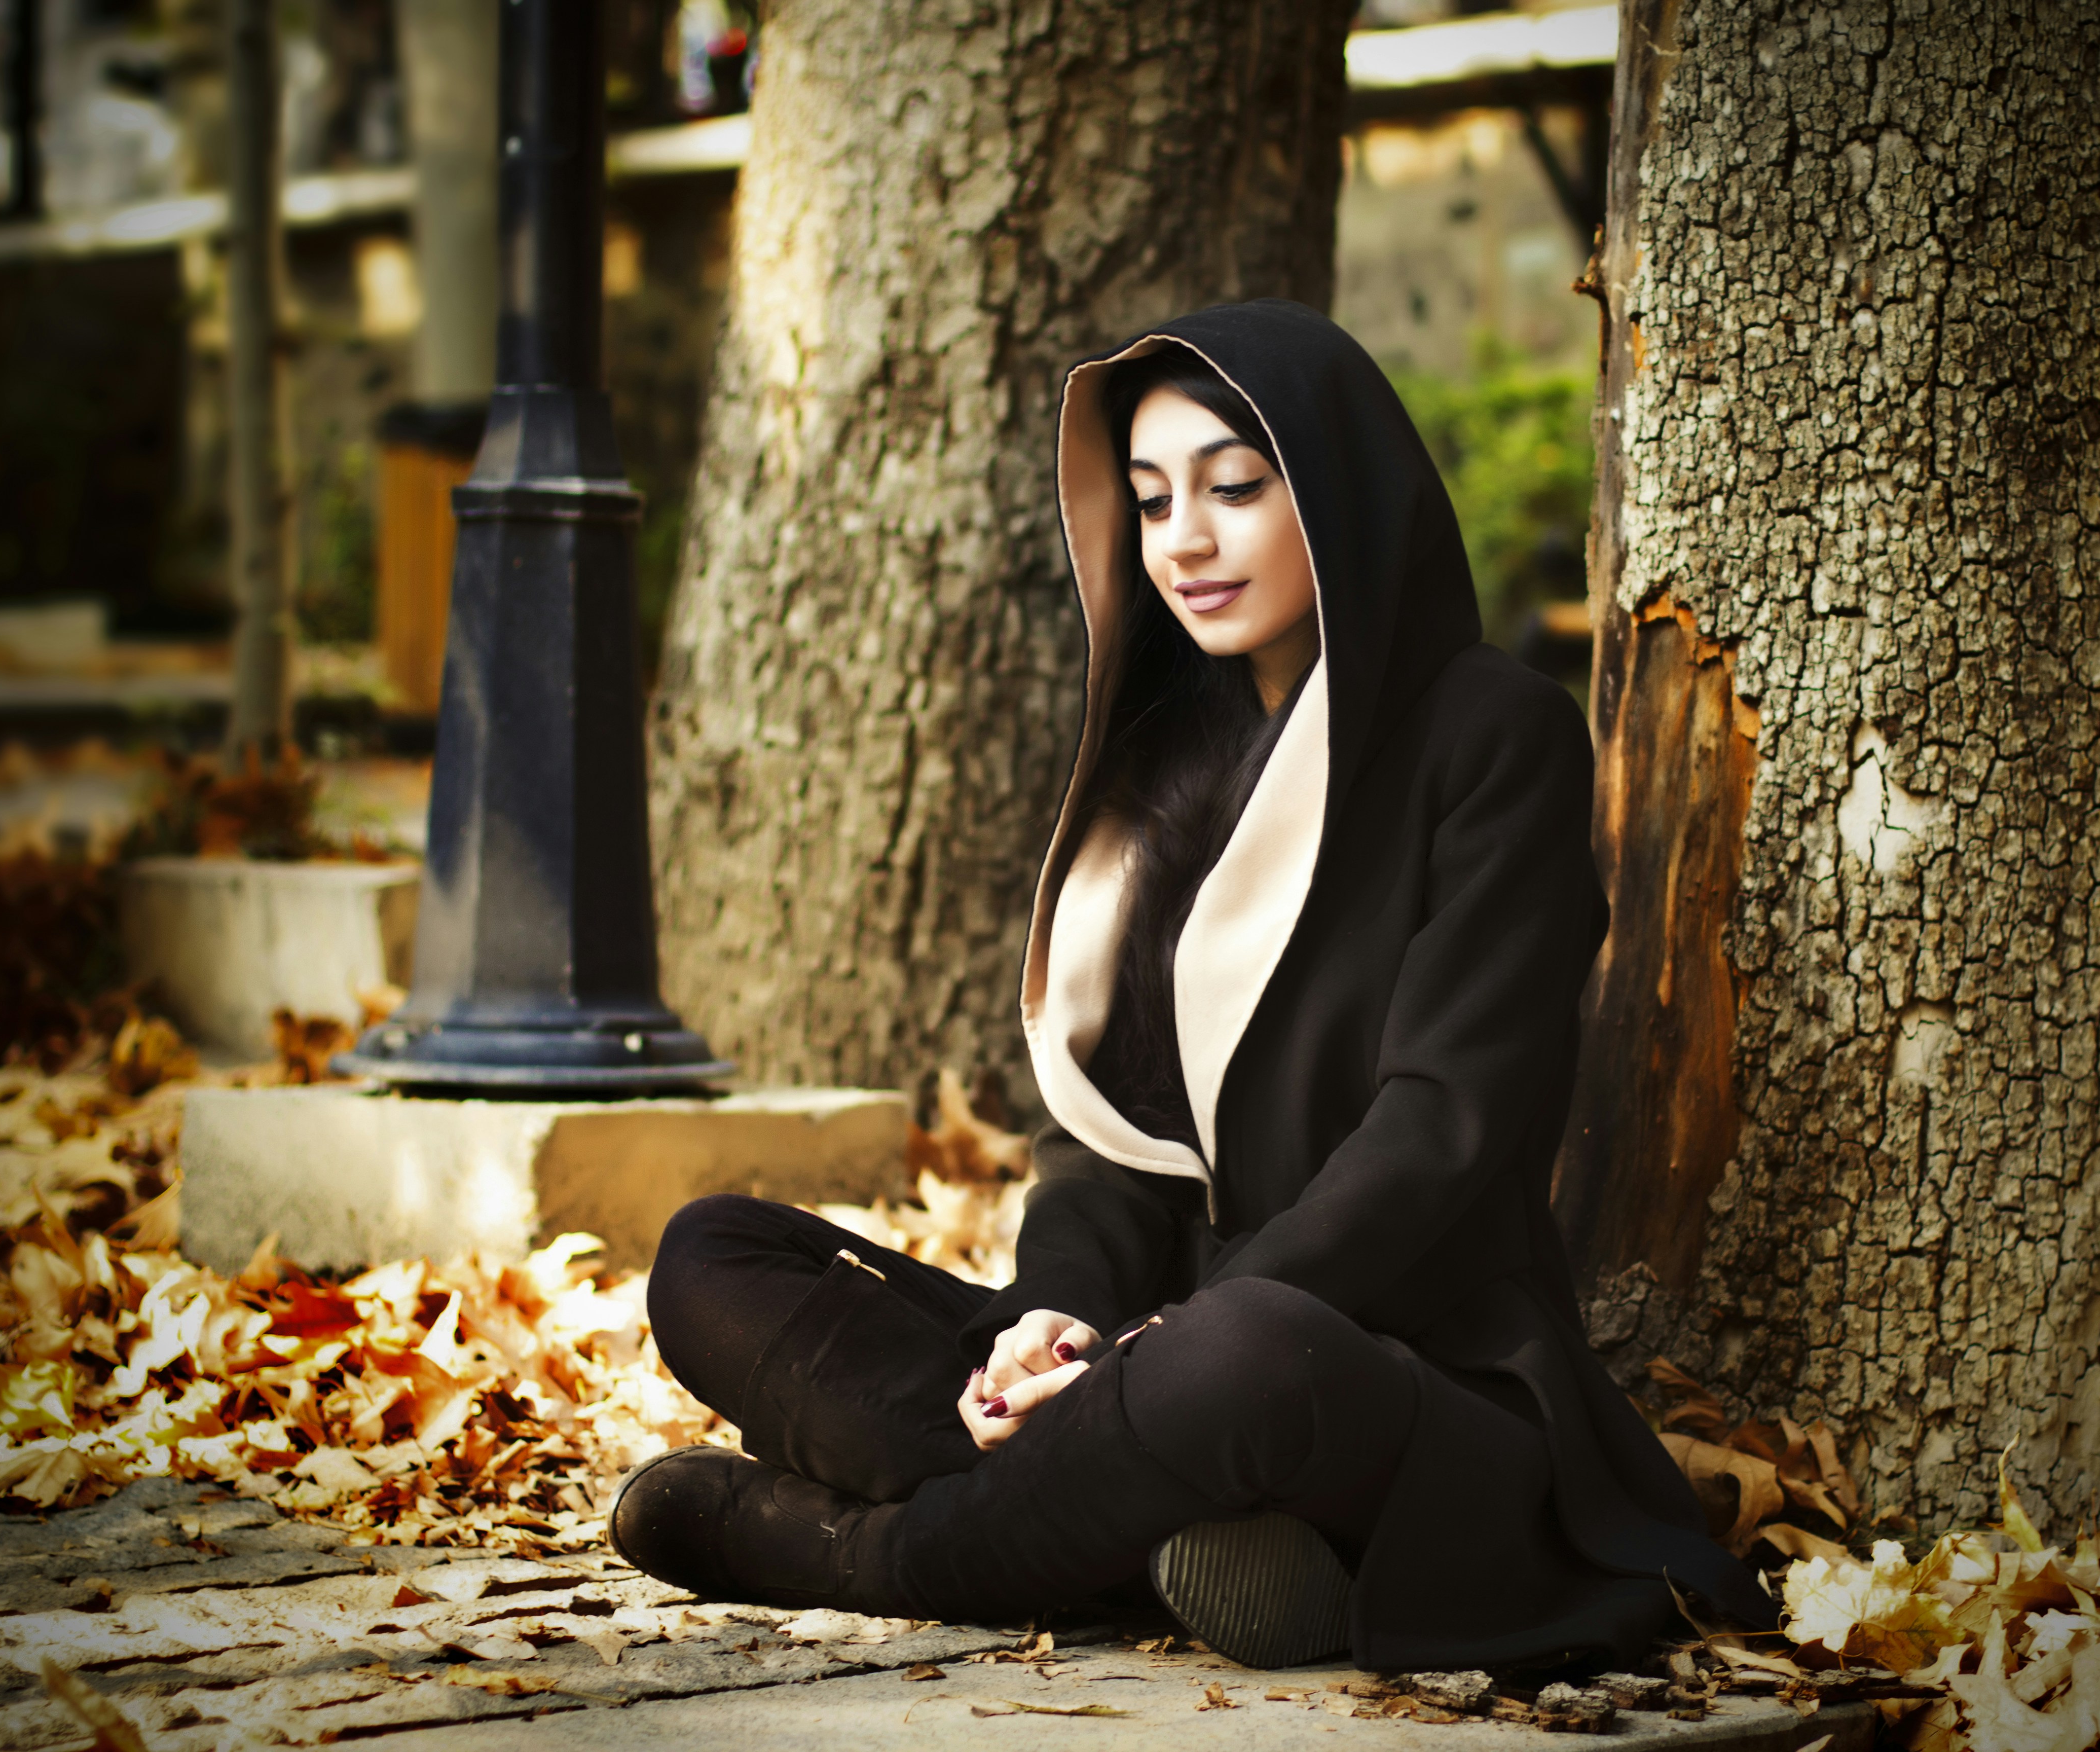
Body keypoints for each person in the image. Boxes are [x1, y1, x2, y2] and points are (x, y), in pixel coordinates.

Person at [613, 299, 1774, 1672]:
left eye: (1233, 487)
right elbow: (1103, 1140)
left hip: (1373, 1358)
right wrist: (1054, 1323)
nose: (1185, 541)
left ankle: (872, 1553)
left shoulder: (1489, 735)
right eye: (1152, 500)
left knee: (1239, 1362)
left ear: (1340, 493)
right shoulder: (1158, 767)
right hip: (1136, 1355)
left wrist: (1164, 1340)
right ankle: (1124, 1538)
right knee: (714, 1255)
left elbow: (1441, 1131)